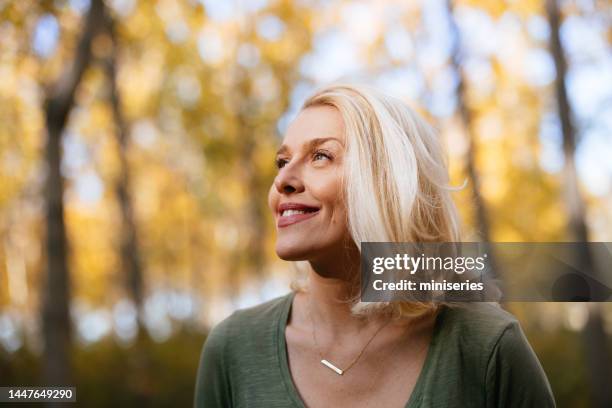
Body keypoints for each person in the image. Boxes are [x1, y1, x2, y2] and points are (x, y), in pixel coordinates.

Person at [194, 83, 556, 407]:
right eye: (283, 161)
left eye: (321, 156)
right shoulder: (233, 348)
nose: (283, 180)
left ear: (387, 183)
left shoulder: (487, 346)